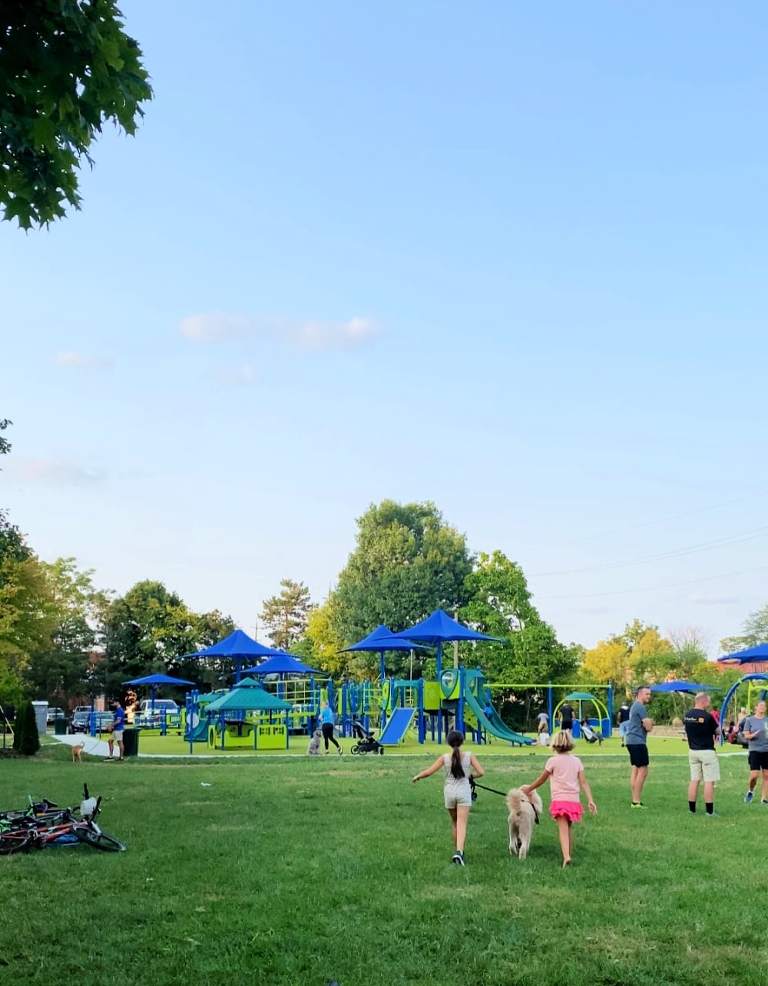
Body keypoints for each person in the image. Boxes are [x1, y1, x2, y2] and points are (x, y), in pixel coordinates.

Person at [522, 731, 597, 868]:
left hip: (560, 800)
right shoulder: (577, 761)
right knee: (568, 827)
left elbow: (541, 779)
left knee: (562, 828)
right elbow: (584, 782)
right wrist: (590, 800)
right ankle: (568, 853)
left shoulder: (552, 761)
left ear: (554, 745)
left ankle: (566, 857)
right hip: (573, 801)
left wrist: (529, 789)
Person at [411, 729, 485, 866]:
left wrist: (418, 776)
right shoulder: (469, 756)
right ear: (462, 742)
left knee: (455, 822)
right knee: (462, 823)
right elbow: (481, 772)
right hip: (463, 792)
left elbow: (429, 772)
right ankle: (459, 852)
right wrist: (470, 776)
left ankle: (457, 851)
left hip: (449, 792)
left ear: (448, 743)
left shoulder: (444, 758)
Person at [682, 692, 720, 816]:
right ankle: (709, 811)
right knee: (709, 781)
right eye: (708, 701)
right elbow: (718, 731)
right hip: (707, 751)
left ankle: (691, 809)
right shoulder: (708, 716)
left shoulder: (687, 715)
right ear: (703, 701)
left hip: (693, 751)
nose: (709, 703)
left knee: (694, 780)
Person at [625, 685, 654, 808]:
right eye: (647, 694)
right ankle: (636, 801)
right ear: (640, 694)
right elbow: (648, 727)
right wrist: (651, 723)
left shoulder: (634, 706)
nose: (649, 696)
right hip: (638, 741)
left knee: (636, 770)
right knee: (643, 770)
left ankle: (635, 799)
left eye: (649, 694)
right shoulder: (640, 706)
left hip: (631, 741)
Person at [742, 699, 768, 805]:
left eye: (764, 706)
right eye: (760, 705)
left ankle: (764, 799)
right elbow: (746, 736)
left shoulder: (767, 720)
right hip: (755, 750)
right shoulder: (750, 720)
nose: (762, 707)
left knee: (766, 775)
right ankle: (750, 791)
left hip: (767, 750)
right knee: (754, 775)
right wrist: (753, 735)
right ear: (756, 707)